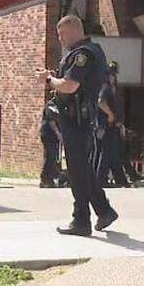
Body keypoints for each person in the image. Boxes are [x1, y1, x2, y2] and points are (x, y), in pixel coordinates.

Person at [35, 15, 118, 236]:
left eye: (61, 34)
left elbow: (70, 86)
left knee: (77, 171)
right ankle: (104, 210)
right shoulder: (92, 50)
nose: (60, 39)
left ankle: (81, 220)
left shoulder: (82, 54)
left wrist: (48, 80)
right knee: (82, 169)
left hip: (76, 120)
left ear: (73, 30)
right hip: (79, 118)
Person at [96, 61, 130, 188]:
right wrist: (110, 114)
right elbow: (100, 102)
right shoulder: (105, 87)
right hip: (106, 125)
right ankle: (101, 180)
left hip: (112, 126)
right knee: (105, 154)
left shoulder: (111, 88)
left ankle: (121, 180)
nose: (113, 77)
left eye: (114, 75)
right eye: (111, 75)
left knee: (114, 153)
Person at [39, 99, 63, 188]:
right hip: (47, 133)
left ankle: (52, 177)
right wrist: (58, 133)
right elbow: (51, 121)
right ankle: (45, 179)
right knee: (50, 155)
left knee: (53, 156)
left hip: (54, 135)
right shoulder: (51, 105)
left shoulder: (60, 104)